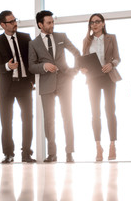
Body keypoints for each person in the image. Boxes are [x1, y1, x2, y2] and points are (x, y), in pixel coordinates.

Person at [28, 10, 81, 163]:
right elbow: (31, 66)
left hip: (65, 81)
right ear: (40, 24)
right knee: (49, 120)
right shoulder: (33, 44)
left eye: (53, 22)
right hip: (46, 84)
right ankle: (52, 154)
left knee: (67, 117)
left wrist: (73, 71)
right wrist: (44, 66)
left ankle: (69, 152)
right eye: (49, 22)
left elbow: (76, 53)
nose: (52, 25)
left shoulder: (61, 37)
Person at [0, 10, 36, 163]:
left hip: (24, 84)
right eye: (11, 21)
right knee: (6, 121)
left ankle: (26, 153)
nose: (15, 23)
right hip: (6, 88)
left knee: (28, 119)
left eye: (15, 20)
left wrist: (32, 81)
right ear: (2, 25)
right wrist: (8, 66)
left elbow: (31, 60)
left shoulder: (25, 38)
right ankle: (8, 154)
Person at [81, 13, 122, 161]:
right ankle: (98, 147)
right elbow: (83, 60)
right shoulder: (86, 41)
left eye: (98, 22)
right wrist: (83, 69)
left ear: (103, 23)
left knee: (110, 110)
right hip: (93, 78)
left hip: (108, 76)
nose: (95, 25)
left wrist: (111, 64)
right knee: (95, 113)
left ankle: (112, 145)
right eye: (92, 22)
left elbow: (118, 57)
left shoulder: (111, 38)